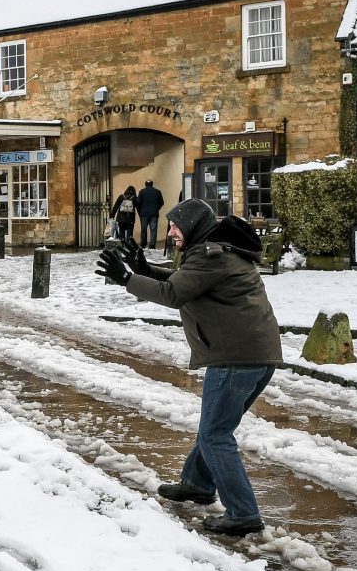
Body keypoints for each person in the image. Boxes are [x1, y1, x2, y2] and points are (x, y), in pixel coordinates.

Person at [96, 199, 281, 536]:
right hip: (251, 354)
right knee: (214, 427)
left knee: (215, 434)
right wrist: (144, 268)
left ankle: (243, 513)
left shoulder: (213, 254)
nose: (170, 232)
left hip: (236, 358)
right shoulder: (215, 252)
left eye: (175, 225)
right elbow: (186, 282)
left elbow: (173, 293)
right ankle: (197, 483)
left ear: (193, 225)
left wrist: (127, 278)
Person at [134, 179, 164, 249]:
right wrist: (156, 208)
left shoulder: (142, 192)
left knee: (144, 229)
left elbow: (138, 202)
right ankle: (152, 245)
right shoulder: (157, 191)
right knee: (153, 230)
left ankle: (143, 244)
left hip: (144, 214)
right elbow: (162, 202)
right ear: (152, 184)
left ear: (145, 184)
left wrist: (140, 210)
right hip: (154, 213)